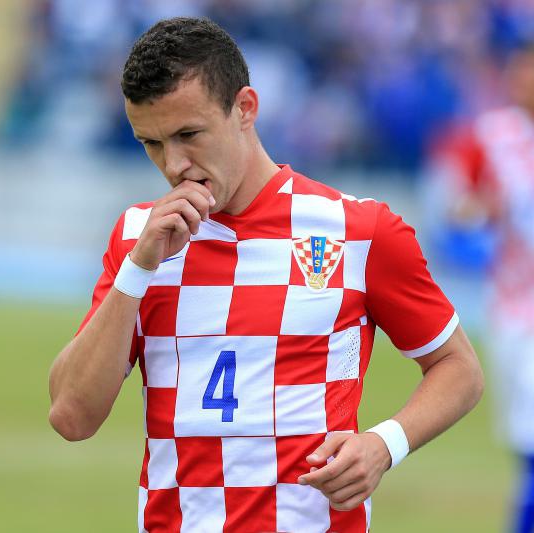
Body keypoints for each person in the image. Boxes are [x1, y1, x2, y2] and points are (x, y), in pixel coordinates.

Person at [48, 17, 484, 532]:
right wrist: (138, 269)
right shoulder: (139, 240)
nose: (174, 164)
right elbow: (72, 416)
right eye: (152, 143)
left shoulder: (358, 231)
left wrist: (384, 444)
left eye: (189, 134)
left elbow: (458, 368)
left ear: (245, 108)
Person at [425, 43, 534, 533]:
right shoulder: (492, 136)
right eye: (521, 70)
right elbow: (453, 208)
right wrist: (479, 211)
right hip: (519, 310)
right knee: (528, 441)